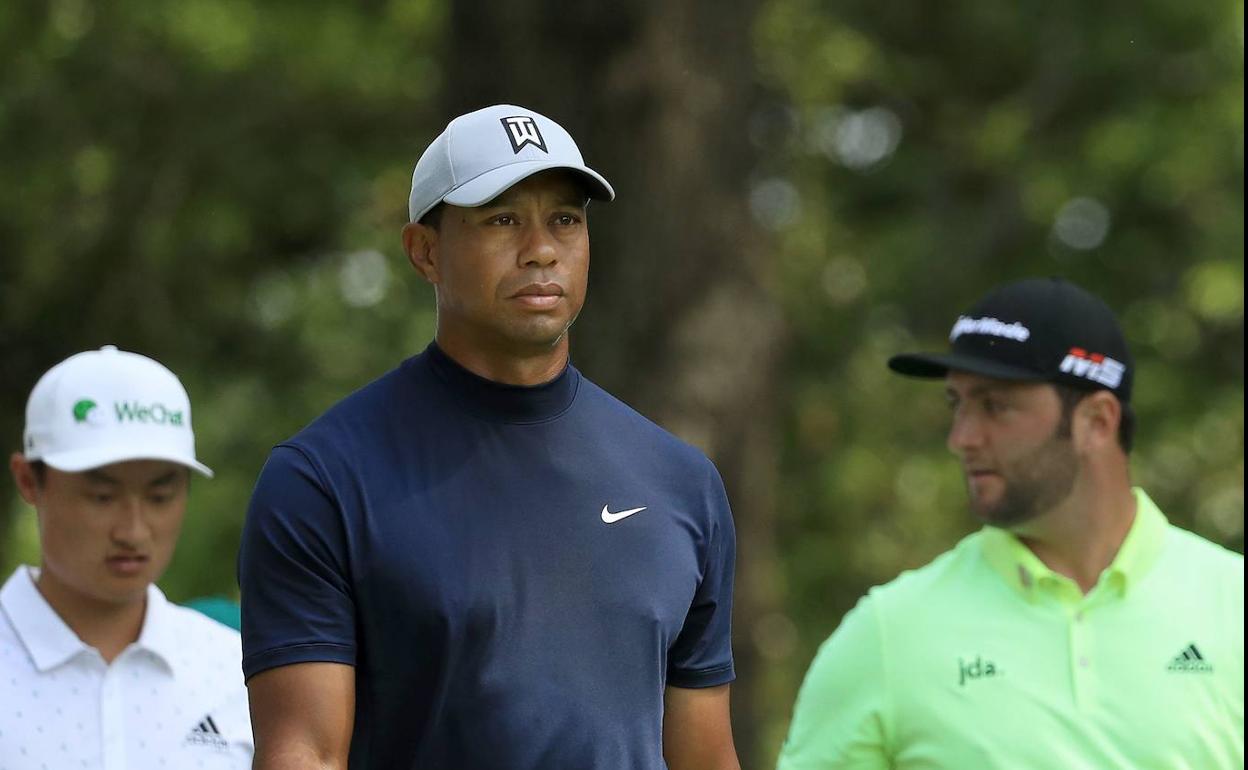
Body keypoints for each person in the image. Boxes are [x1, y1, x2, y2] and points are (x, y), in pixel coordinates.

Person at [238, 104, 741, 770]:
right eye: (502, 219)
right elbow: (305, 755)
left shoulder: (681, 482)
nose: (540, 249)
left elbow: (703, 759)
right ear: (425, 251)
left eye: (565, 219)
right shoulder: (324, 480)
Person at [777, 277, 1243, 770]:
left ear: (1096, 422)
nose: (961, 438)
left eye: (994, 406)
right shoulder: (886, 633)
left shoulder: (1234, 602)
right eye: (956, 405)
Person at [1, 345, 253, 768]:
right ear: (28, 480)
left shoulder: (236, 671)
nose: (133, 530)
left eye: (160, 496)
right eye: (101, 496)